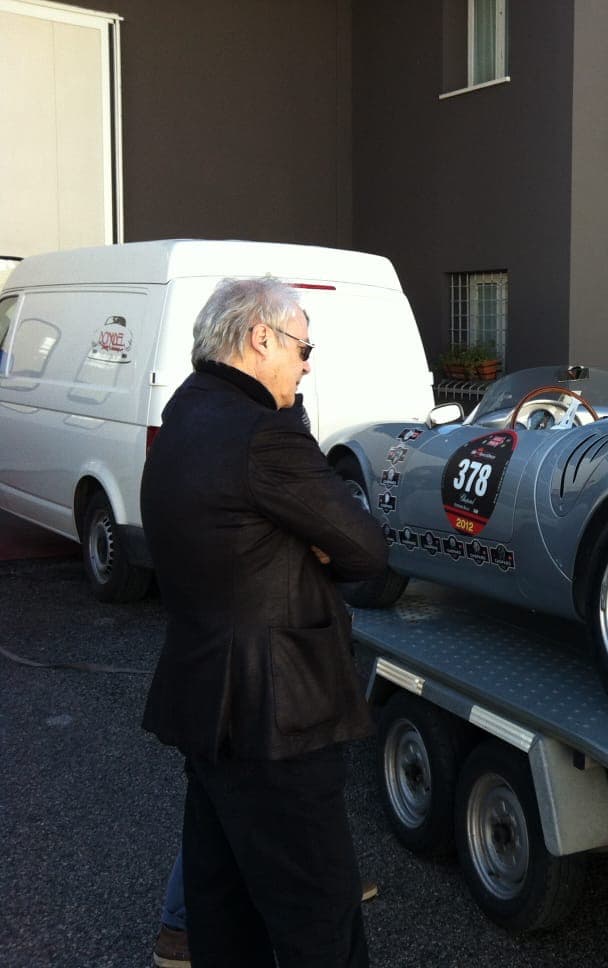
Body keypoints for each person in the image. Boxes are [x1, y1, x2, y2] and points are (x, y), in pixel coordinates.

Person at [141, 276, 387, 968]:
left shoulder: (187, 412)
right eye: (303, 348)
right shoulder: (262, 435)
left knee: (223, 904)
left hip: (207, 701)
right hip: (278, 715)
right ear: (261, 339)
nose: (306, 365)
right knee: (320, 916)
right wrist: (317, 544)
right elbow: (366, 549)